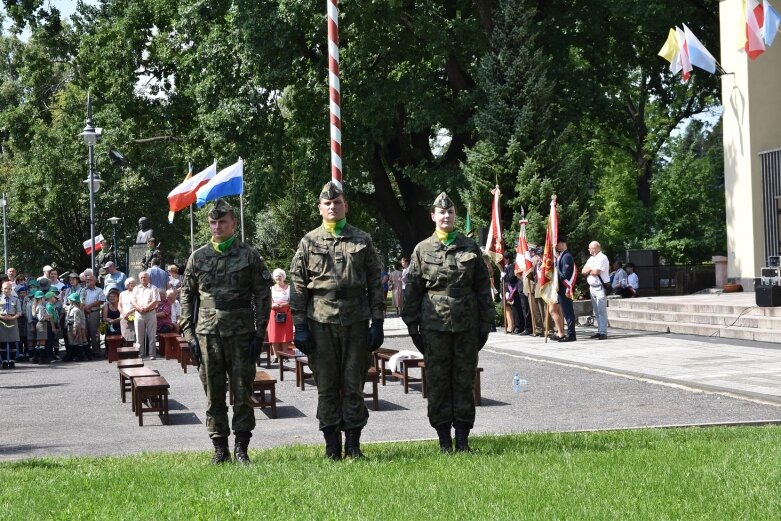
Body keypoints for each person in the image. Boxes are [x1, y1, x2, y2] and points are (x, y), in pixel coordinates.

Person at [289, 182, 385, 460]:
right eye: (327, 204)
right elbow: (298, 285)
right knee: (327, 385)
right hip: (320, 323)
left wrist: (377, 321)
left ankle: (353, 445)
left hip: (356, 321)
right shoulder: (308, 242)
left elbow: (375, 283)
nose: (332, 207)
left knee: (354, 383)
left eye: (337, 202)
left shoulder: (362, 239)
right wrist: (300, 326)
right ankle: (332, 446)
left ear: (346, 206)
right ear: (320, 208)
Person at [180, 198, 272, 464]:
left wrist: (259, 333)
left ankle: (242, 448)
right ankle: (220, 449)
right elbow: (187, 296)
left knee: (243, 392)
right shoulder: (198, 257)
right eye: (213, 222)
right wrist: (189, 335)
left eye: (222, 222)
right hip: (207, 334)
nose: (217, 226)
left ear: (233, 223)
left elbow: (262, 296)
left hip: (241, 333)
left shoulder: (249, 256)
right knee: (213, 393)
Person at [402, 192, 494, 453]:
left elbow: (482, 287)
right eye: (441, 212)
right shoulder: (422, 249)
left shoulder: (469, 247)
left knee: (464, 381)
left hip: (466, 325)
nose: (446, 216)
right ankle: (444, 440)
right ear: (433, 216)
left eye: (450, 212)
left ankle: (463, 440)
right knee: (439, 381)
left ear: (455, 216)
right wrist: (411, 324)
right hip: (434, 326)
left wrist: (486, 322)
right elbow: (414, 289)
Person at [581, 241, 610, 340]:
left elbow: (596, 272)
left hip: (600, 287)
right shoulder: (591, 258)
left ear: (596, 248)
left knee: (601, 310)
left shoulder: (602, 258)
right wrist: (590, 269)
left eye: (590, 248)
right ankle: (599, 330)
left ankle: (603, 332)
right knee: (596, 311)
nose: (589, 250)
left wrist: (589, 269)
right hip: (592, 287)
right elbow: (583, 271)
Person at [132, 271, 160, 359]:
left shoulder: (153, 288)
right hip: (138, 313)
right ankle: (140, 354)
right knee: (139, 335)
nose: (143, 279)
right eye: (141, 278)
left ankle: (152, 354)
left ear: (148, 278)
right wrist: (139, 308)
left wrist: (146, 308)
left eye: (144, 277)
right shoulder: (136, 288)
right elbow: (133, 301)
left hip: (150, 313)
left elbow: (155, 301)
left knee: (151, 335)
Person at [267, 268, 293, 362]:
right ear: (274, 277)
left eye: (280, 276)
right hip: (274, 313)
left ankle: (285, 356)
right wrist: (272, 305)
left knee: (285, 335)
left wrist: (286, 304)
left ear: (284, 277)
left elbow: (292, 301)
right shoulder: (271, 288)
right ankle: (276, 356)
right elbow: (268, 301)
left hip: (286, 312)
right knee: (274, 335)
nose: (278, 277)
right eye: (276, 276)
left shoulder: (289, 287)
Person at [556, 235, 577, 342]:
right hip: (561, 288)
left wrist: (555, 273)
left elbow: (565, 275)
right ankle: (566, 333)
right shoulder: (561, 256)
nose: (556, 246)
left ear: (563, 243)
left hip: (565, 288)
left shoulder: (566, 256)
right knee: (564, 311)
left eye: (558, 244)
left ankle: (571, 334)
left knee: (568, 312)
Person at [79, 274, 105, 357]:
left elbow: (101, 300)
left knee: (95, 333)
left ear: (94, 281)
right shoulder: (83, 290)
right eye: (86, 280)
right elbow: (80, 300)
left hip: (94, 312)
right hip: (84, 312)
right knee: (85, 332)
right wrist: (85, 308)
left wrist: (89, 306)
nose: (87, 281)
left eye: (89, 280)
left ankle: (96, 351)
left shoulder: (99, 290)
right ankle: (86, 351)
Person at [0, 281, 22, 368]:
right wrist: (2, 317)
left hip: (13, 320)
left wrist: (13, 318)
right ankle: (4, 361)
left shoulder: (15, 299)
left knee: (13, 341)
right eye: (5, 288)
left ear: (11, 289)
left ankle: (12, 361)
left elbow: (19, 312)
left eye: (9, 289)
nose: (7, 290)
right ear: (2, 289)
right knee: (2, 342)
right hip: (1, 321)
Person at [64, 293, 87, 361]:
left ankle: (80, 356)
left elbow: (76, 321)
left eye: (69, 299)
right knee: (71, 341)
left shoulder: (76, 310)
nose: (68, 300)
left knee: (76, 341)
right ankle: (72, 355)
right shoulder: (70, 308)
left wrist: (74, 329)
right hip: (69, 326)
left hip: (74, 327)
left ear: (72, 300)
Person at [119, 277, 137, 345]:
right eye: (131, 283)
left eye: (134, 283)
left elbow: (139, 305)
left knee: (134, 336)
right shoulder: (122, 293)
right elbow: (119, 305)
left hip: (134, 316)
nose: (134, 284)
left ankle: (134, 351)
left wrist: (129, 312)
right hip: (124, 317)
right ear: (127, 284)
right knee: (125, 336)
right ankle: (126, 352)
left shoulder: (136, 293)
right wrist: (123, 313)